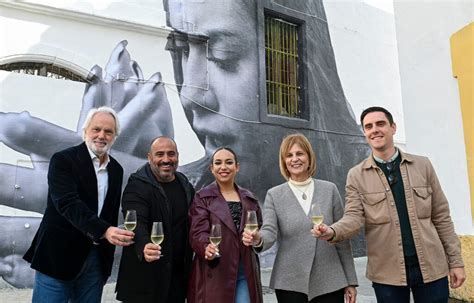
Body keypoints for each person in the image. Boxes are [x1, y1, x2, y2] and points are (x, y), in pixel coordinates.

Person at [315, 106, 466, 302]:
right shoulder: (356, 175)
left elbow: (442, 217)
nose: (374, 130)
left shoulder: (423, 165)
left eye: (380, 124)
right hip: (387, 272)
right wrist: (332, 232)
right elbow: (353, 217)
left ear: (393, 127)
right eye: (368, 126)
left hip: (432, 267)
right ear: (364, 133)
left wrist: (456, 262)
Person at [23, 106, 135, 303]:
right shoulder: (63, 160)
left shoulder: (116, 169)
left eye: (108, 131)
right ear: (85, 131)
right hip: (58, 256)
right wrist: (105, 230)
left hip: (95, 260)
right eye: (96, 129)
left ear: (114, 136)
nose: (102, 135)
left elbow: (109, 212)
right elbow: (67, 204)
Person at [243, 133, 357, 303]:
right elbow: (269, 232)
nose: (295, 159)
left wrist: (350, 281)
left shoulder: (329, 190)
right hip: (290, 280)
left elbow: (341, 238)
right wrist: (258, 238)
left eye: (300, 153)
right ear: (284, 162)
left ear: (309, 158)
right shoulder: (274, 195)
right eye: (289, 155)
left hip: (330, 279)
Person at [115, 136, 195, 303]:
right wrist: (144, 245)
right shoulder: (136, 185)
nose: (166, 160)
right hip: (144, 282)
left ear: (177, 157)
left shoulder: (185, 184)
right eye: (160, 154)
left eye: (171, 154)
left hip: (177, 281)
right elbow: (135, 222)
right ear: (149, 157)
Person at [187, 147, 263, 303]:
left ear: (237, 167)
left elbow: (258, 230)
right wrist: (205, 246)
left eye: (229, 162)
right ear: (212, 169)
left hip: (245, 271)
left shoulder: (250, 199)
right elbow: (197, 232)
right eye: (218, 163)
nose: (223, 167)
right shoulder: (202, 198)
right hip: (215, 270)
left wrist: (257, 239)